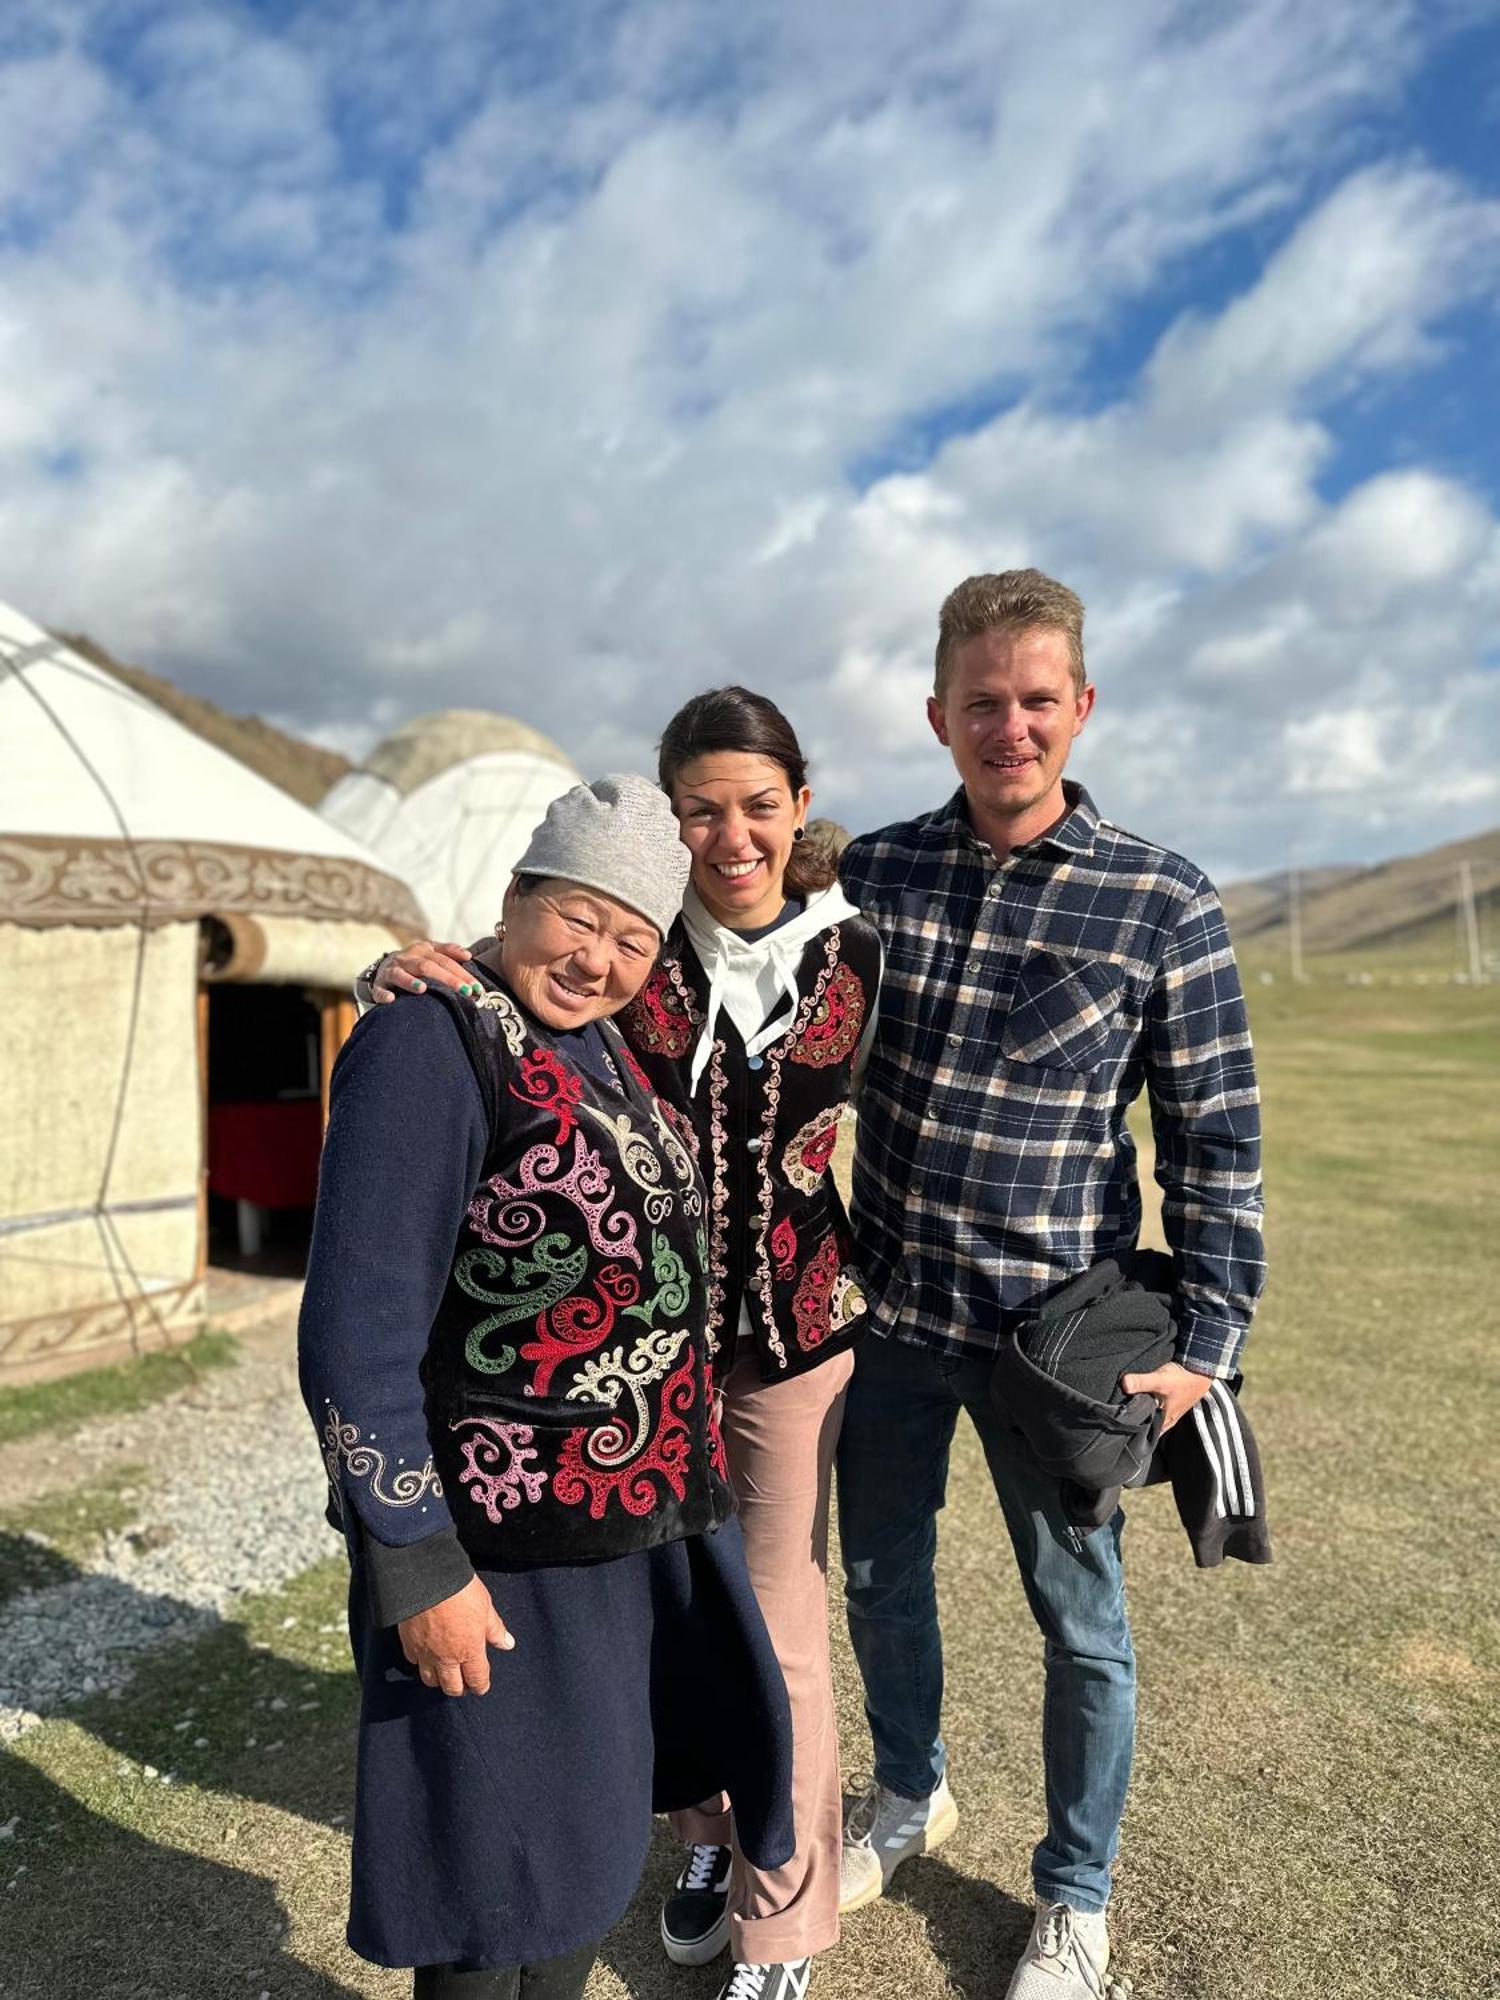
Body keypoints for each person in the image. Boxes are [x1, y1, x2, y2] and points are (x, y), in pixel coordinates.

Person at [369, 690, 881, 2000]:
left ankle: (779, 1925)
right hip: (579, 1443)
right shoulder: (595, 990)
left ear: (798, 807)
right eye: (702, 808)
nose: (731, 832)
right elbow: (376, 1290)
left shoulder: (855, 951)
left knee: (766, 1649)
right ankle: (699, 1844)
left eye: (757, 805)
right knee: (577, 1752)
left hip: (765, 1368)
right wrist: (417, 969)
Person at [833, 570, 1265, 2000]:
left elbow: (1215, 1139)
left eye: (1034, 701)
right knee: (886, 1583)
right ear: (938, 715)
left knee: (1080, 1626)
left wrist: (1207, 1341)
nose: (1007, 727)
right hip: (887, 1316)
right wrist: (465, 967)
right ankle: (910, 1794)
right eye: (980, 703)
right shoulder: (873, 875)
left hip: (1053, 1345)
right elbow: (688, 939)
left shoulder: (1162, 899)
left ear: (1079, 708)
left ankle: (1075, 1896)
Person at [300, 774, 794, 2000]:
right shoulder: (430, 1040)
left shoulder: (600, 1048)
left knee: (576, 1865)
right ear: (515, 896)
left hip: (619, 1551)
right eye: (577, 915)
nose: (599, 956)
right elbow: (355, 1333)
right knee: (483, 1889)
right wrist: (414, 1559)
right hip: (489, 1555)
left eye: (633, 937)